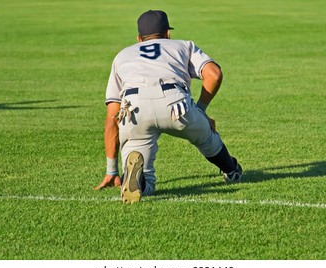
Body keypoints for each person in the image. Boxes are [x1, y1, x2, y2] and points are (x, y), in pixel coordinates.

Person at [94, 10, 242, 204]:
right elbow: (214, 74)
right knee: (206, 137)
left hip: (134, 109)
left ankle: (138, 181)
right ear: (168, 34)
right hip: (175, 103)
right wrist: (201, 110)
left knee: (146, 178)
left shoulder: (122, 56)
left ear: (139, 38)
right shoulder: (182, 45)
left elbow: (112, 117)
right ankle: (231, 171)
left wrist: (111, 170)